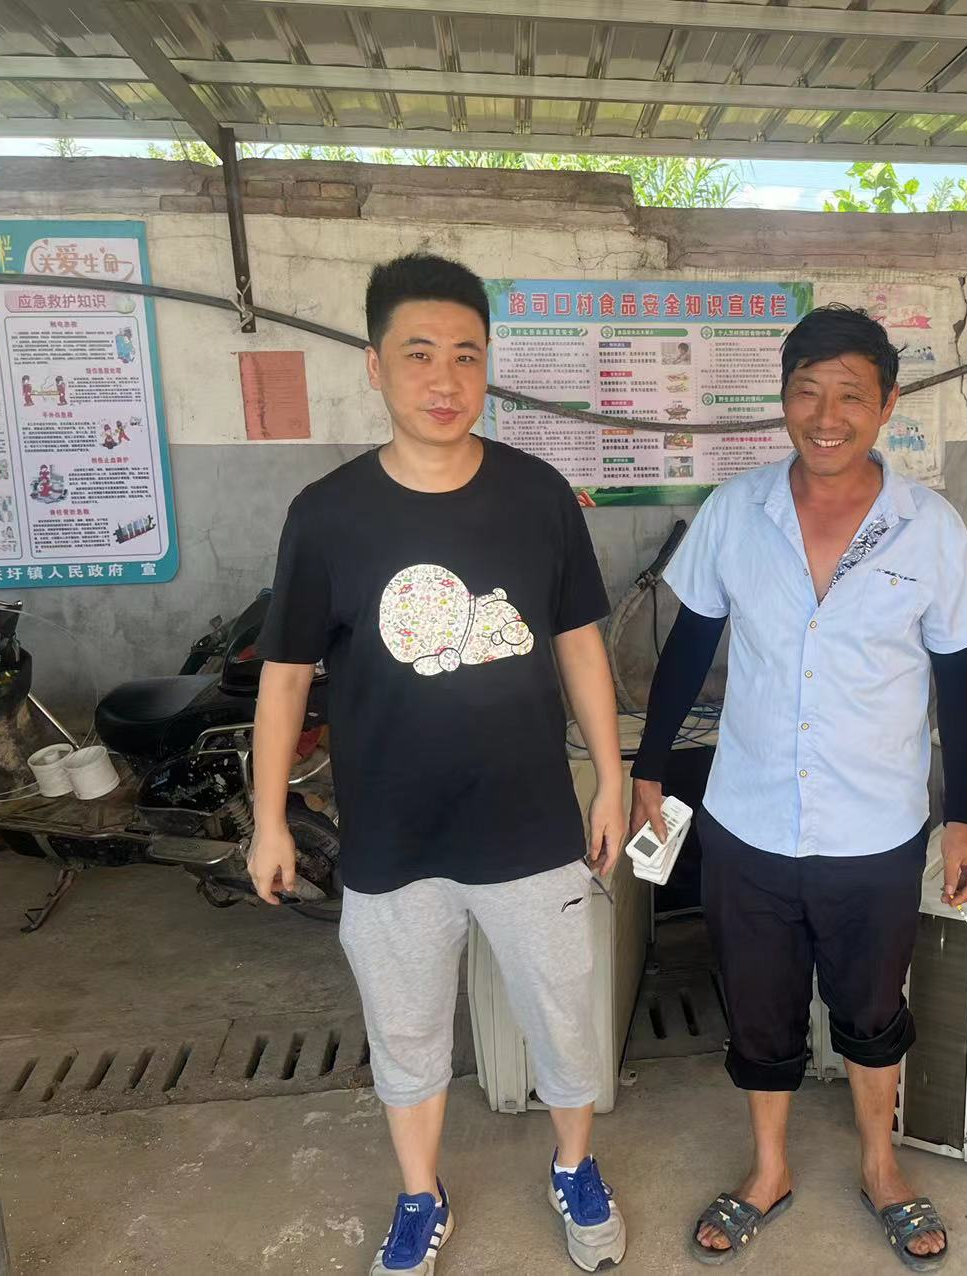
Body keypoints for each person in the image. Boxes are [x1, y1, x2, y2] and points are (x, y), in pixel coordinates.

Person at [248, 252, 630, 1276]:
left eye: (467, 354)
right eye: (419, 353)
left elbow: (580, 644)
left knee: (563, 1015)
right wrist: (269, 818)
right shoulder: (326, 515)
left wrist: (611, 776)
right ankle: (421, 1195)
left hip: (531, 824)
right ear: (375, 365)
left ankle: (575, 1166)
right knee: (406, 1030)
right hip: (392, 835)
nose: (445, 378)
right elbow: (284, 678)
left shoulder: (538, 496)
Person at [632, 304, 967, 1270]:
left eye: (850, 395)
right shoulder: (737, 511)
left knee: (872, 1006)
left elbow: (961, 678)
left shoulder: (928, 527)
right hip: (749, 818)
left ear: (887, 404)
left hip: (874, 827)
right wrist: (647, 770)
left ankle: (881, 1165)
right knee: (758, 1006)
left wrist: (959, 818)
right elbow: (689, 648)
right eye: (807, 392)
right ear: (783, 399)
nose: (826, 416)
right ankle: (769, 1169)